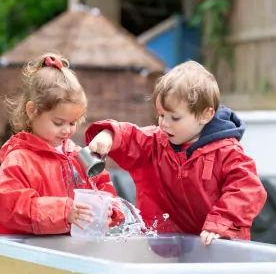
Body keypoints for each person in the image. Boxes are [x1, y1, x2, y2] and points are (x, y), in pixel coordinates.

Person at [85, 60, 266, 246]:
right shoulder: (157, 142)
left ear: (206, 115)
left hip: (218, 246)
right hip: (172, 248)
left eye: (175, 117)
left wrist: (222, 222)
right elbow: (131, 137)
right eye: (161, 115)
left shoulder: (226, 152)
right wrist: (108, 135)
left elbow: (247, 189)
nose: (164, 123)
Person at [0, 53, 125, 242]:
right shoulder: (19, 160)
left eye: (73, 122)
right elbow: (9, 206)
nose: (67, 130)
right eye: (58, 123)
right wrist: (64, 212)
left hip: (69, 253)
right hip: (30, 258)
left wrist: (110, 210)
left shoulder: (77, 156)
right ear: (32, 111)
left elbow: (103, 188)